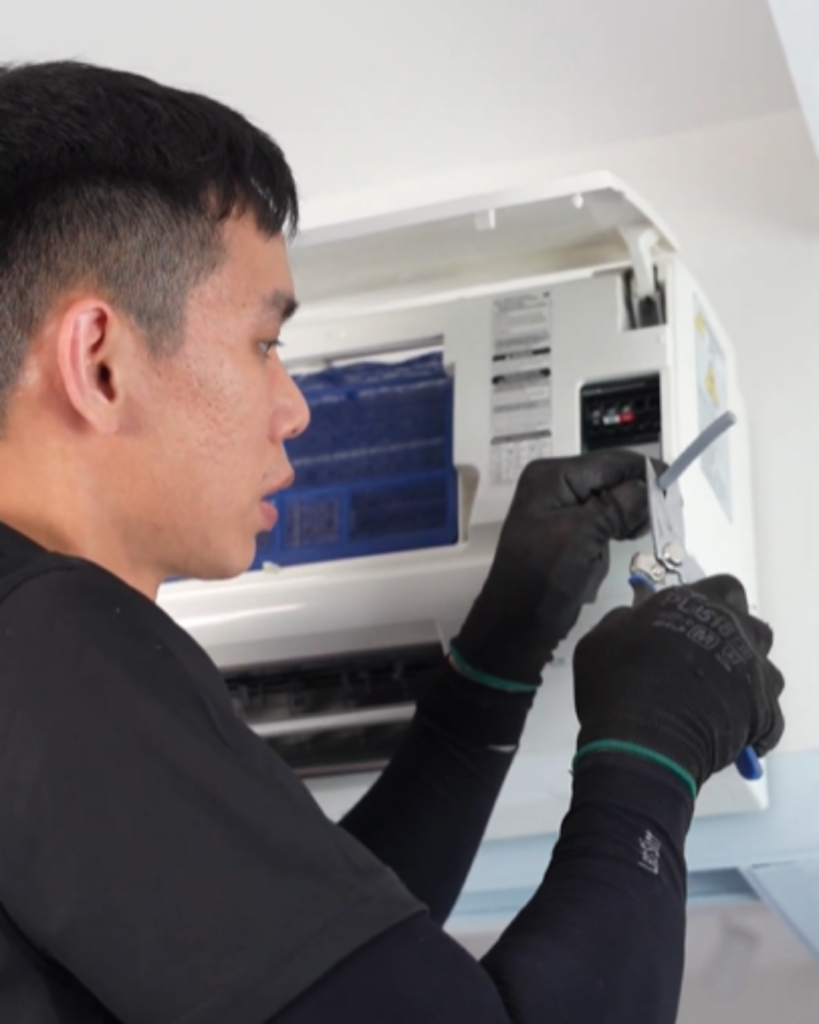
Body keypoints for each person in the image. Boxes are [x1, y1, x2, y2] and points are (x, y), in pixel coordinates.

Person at [0, 61, 785, 1024]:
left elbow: (338, 975)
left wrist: (499, 653)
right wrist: (652, 751)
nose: (292, 407)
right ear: (101, 361)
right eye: (263, 343)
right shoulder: (47, 641)